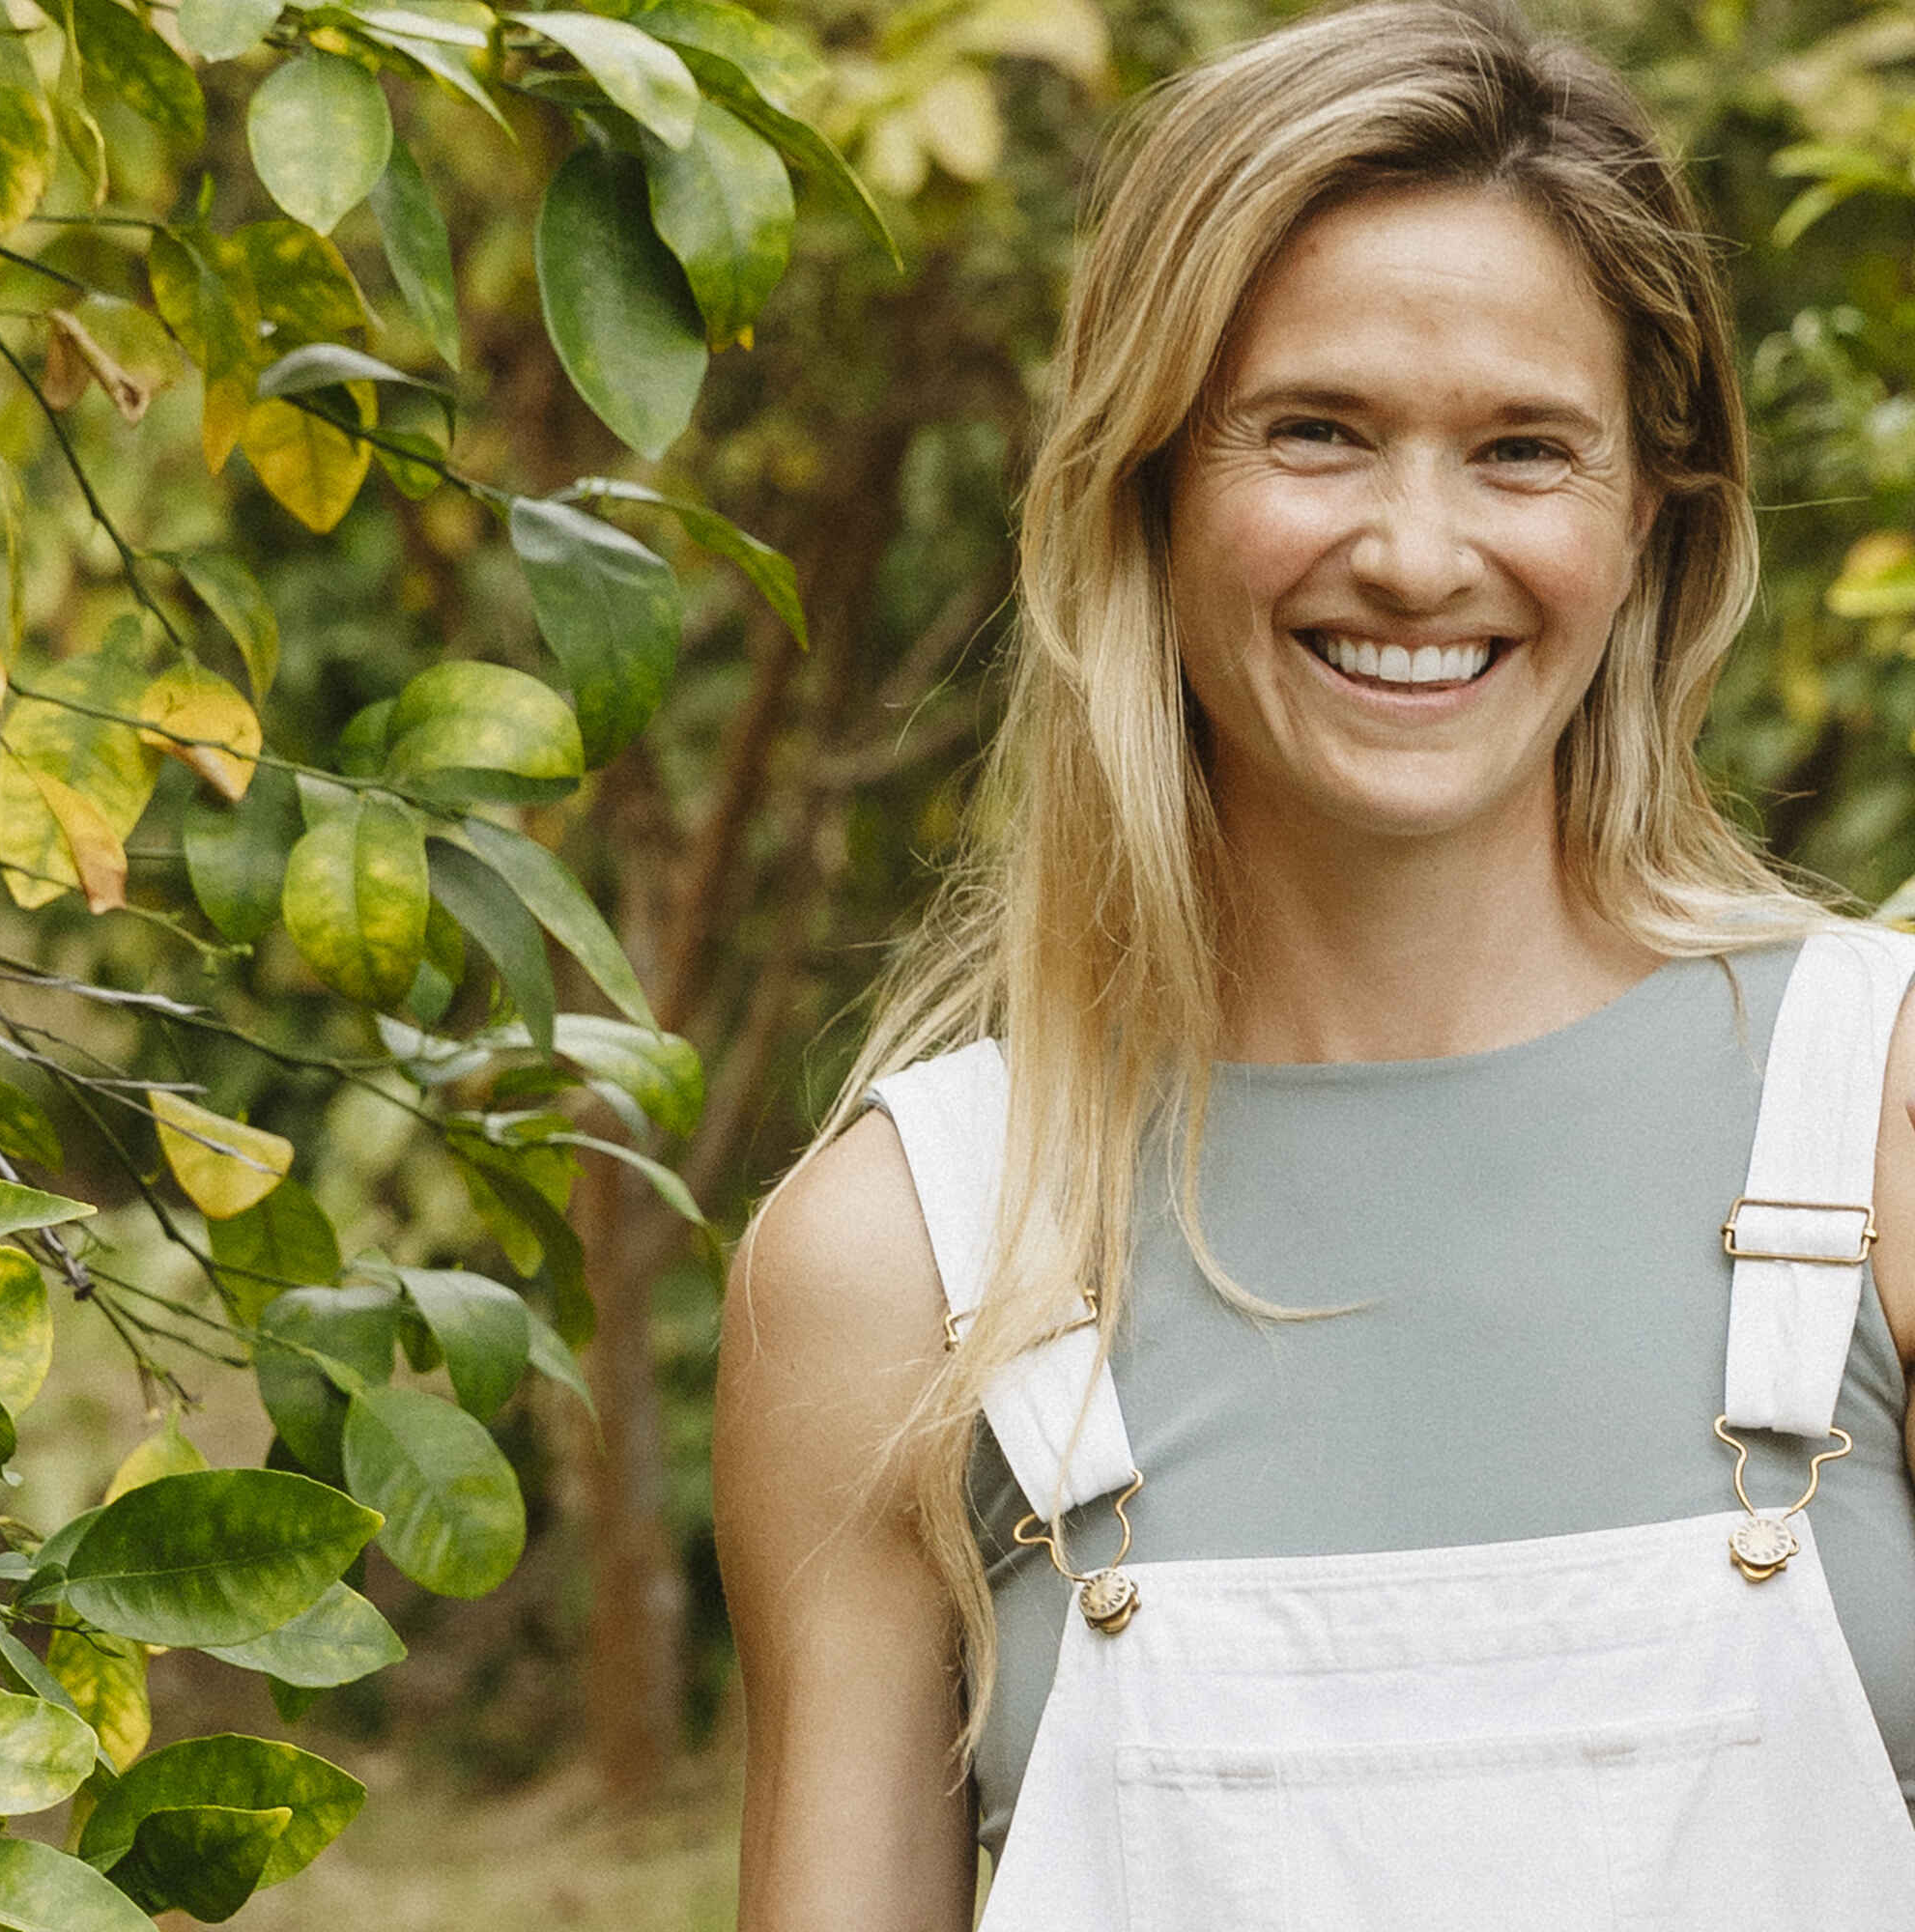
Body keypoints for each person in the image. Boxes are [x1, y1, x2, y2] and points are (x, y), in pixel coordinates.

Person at [713, 2, 1915, 1924]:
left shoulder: (1878, 1123)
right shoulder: (903, 1257)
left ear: (1649, 521)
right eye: (1316, 434)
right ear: (1150, 483)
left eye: (1524, 451)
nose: (1415, 554)